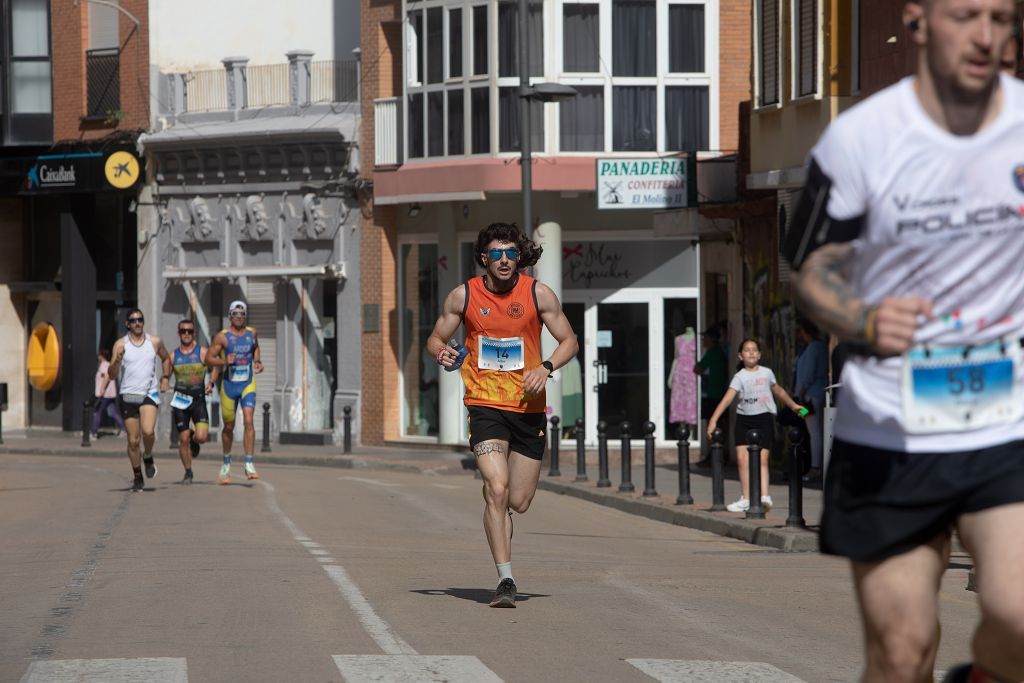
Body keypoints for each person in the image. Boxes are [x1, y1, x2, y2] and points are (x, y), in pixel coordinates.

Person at [782, 2, 1024, 679]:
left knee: (1018, 614)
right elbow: (808, 266)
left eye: (1001, 17)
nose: (985, 35)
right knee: (901, 647)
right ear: (917, 20)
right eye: (966, 15)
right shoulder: (862, 138)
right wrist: (861, 320)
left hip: (1006, 418)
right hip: (890, 429)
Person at [425, 222, 578, 608]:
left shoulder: (537, 293)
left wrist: (545, 367)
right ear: (484, 258)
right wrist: (440, 352)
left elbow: (570, 341)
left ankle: (499, 508)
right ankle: (505, 579)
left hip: (528, 408)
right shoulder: (464, 295)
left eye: (511, 252)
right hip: (485, 404)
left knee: (519, 500)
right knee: (497, 489)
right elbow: (436, 337)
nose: (505, 260)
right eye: (497, 253)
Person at [706, 338, 804, 512]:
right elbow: (728, 398)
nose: (751, 352)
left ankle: (765, 497)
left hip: (763, 418)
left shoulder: (767, 373)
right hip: (744, 420)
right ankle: (746, 498)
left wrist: (794, 406)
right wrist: (713, 420)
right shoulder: (739, 377)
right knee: (743, 460)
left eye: (754, 350)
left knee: (763, 459)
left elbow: (778, 390)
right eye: (747, 350)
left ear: (759, 354)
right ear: (740, 355)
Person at [107, 308, 172, 492]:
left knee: (148, 431)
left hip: (148, 393)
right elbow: (111, 375)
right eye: (133, 320)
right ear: (127, 323)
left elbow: (166, 359)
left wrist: (165, 378)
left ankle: (149, 455)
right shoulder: (121, 344)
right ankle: (137, 476)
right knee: (133, 441)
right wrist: (117, 360)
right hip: (128, 395)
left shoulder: (154, 342)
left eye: (140, 320)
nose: (137, 323)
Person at [205, 301, 263, 484]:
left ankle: (249, 462)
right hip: (229, 386)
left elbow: (255, 347)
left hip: (247, 383)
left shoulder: (251, 333)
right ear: (230, 316)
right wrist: (224, 362)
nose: (239, 317)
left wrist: (258, 361)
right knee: (228, 427)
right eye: (235, 314)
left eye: (242, 314)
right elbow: (208, 359)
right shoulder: (222, 337)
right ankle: (226, 463)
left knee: (248, 420)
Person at [170, 319, 216, 484]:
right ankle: (188, 472)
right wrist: (163, 381)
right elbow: (165, 375)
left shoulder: (202, 352)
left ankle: (193, 437)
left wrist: (211, 383)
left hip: (198, 400)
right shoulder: (174, 355)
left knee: (202, 437)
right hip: (180, 400)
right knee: (182, 440)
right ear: (179, 333)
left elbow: (215, 367)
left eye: (189, 331)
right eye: (183, 331)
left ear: (194, 333)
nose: (187, 334)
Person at [794, 319, 828, 482]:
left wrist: (800, 392)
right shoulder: (820, 347)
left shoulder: (813, 348)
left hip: (809, 397)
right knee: (817, 430)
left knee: (813, 431)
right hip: (817, 393)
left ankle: (815, 466)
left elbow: (809, 373)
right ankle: (818, 464)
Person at [693, 326, 729, 464]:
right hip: (720, 392)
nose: (703, 340)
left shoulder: (712, 352)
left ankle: (714, 454)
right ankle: (719, 452)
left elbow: (697, 369)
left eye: (705, 338)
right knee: (720, 423)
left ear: (712, 339)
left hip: (712, 393)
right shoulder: (720, 352)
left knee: (712, 424)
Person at [91, 348, 126, 438]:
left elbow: (107, 376)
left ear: (101, 356)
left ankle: (93, 433)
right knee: (112, 412)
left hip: (105, 394)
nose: (98, 357)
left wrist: (102, 389)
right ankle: (123, 429)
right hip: (110, 394)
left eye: (99, 355)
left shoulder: (104, 365)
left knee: (97, 412)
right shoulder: (108, 364)